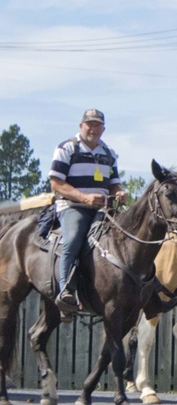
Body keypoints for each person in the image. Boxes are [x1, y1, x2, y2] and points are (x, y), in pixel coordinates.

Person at [47, 108, 123, 310]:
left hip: (102, 210)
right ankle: (66, 290)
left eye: (97, 125)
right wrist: (85, 198)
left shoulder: (109, 153)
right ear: (81, 126)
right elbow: (56, 183)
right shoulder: (67, 148)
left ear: (103, 129)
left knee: (126, 237)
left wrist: (119, 193)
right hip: (72, 206)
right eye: (89, 124)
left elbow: (114, 184)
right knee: (73, 239)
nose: (93, 128)